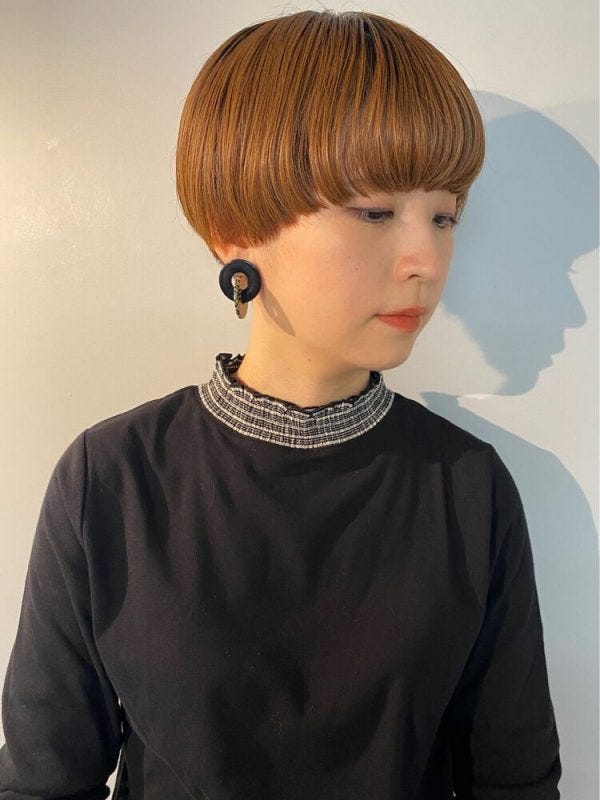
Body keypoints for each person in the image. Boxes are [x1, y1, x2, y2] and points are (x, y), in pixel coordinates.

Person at [0, 9, 561, 800]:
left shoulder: (469, 486)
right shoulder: (112, 478)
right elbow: (45, 780)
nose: (427, 260)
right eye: (375, 212)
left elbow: (515, 781)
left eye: (445, 216)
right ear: (234, 229)